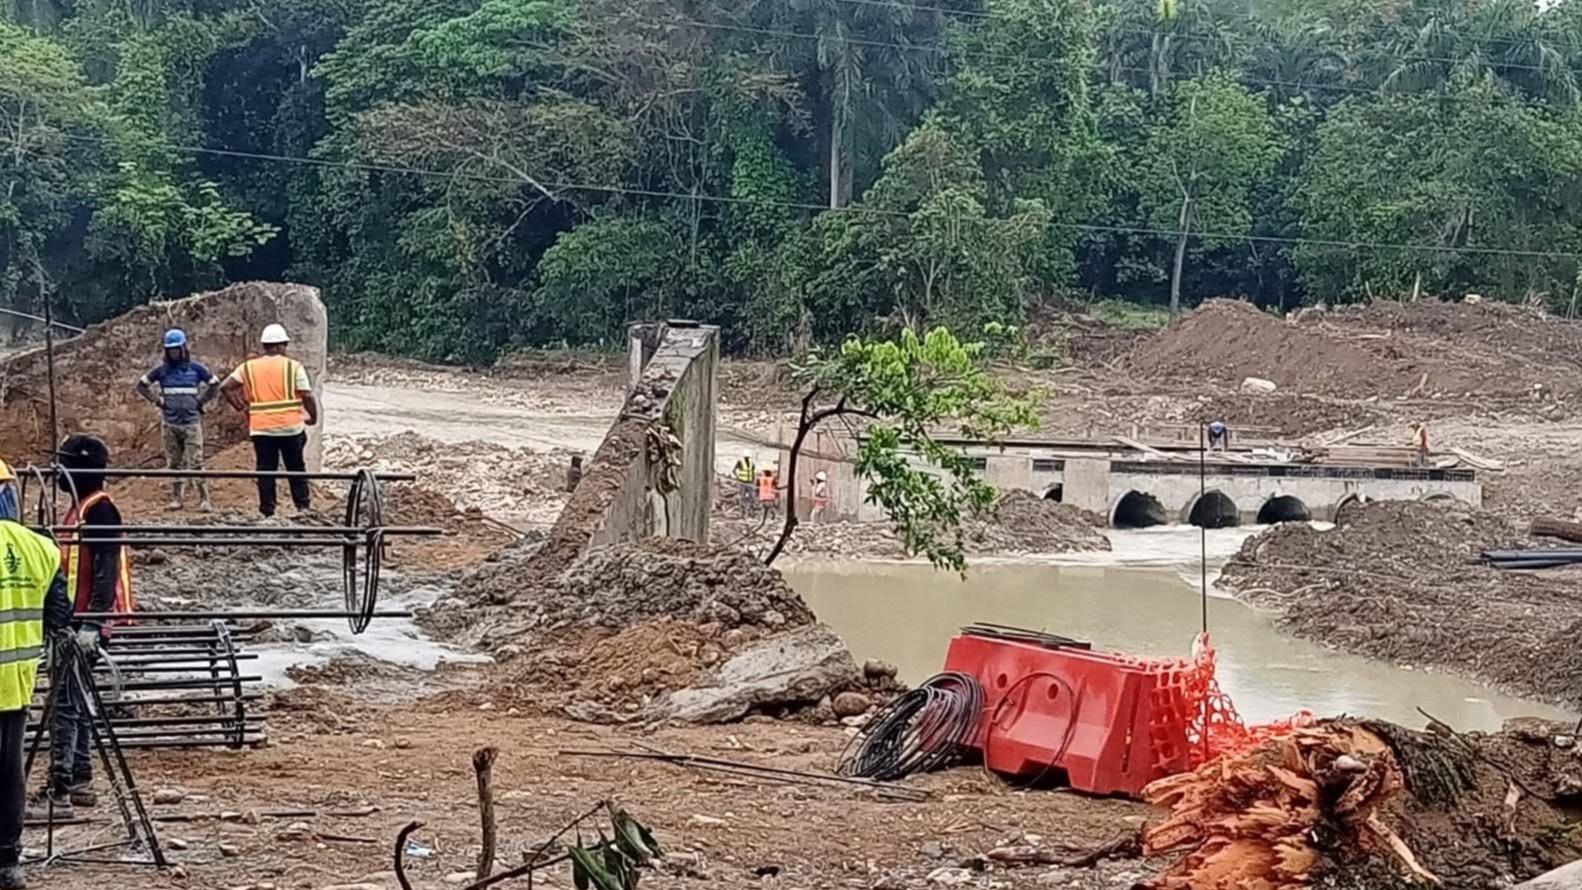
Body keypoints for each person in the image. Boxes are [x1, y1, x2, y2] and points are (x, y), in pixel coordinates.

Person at [28, 435, 130, 823]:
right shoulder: (82, 509)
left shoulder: (100, 511)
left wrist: (92, 623)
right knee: (76, 701)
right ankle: (81, 779)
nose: (58, 473)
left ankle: (59, 791)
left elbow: (105, 569)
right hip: (74, 622)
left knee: (64, 706)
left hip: (83, 626)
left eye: (65, 465)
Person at [0, 459, 73, 888]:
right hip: (15, 683)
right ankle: (7, 862)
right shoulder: (41, 547)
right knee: (8, 772)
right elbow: (59, 616)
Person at [221, 325, 320, 518]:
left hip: (261, 428)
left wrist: (241, 407)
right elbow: (307, 395)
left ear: (265, 346)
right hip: (290, 428)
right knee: (296, 467)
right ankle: (303, 507)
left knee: (266, 469)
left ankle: (267, 510)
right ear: (281, 345)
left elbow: (225, 387)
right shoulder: (293, 367)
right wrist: (313, 417)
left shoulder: (248, 367)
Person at [135, 329, 220, 512]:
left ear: (183, 348)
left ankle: (204, 499)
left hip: (191, 423)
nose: (173, 353)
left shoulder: (196, 369)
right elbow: (141, 385)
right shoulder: (161, 371)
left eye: (176, 349)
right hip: (170, 423)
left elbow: (214, 384)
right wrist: (157, 401)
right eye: (170, 350)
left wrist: (201, 402)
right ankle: (176, 498)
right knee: (174, 462)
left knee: (196, 462)